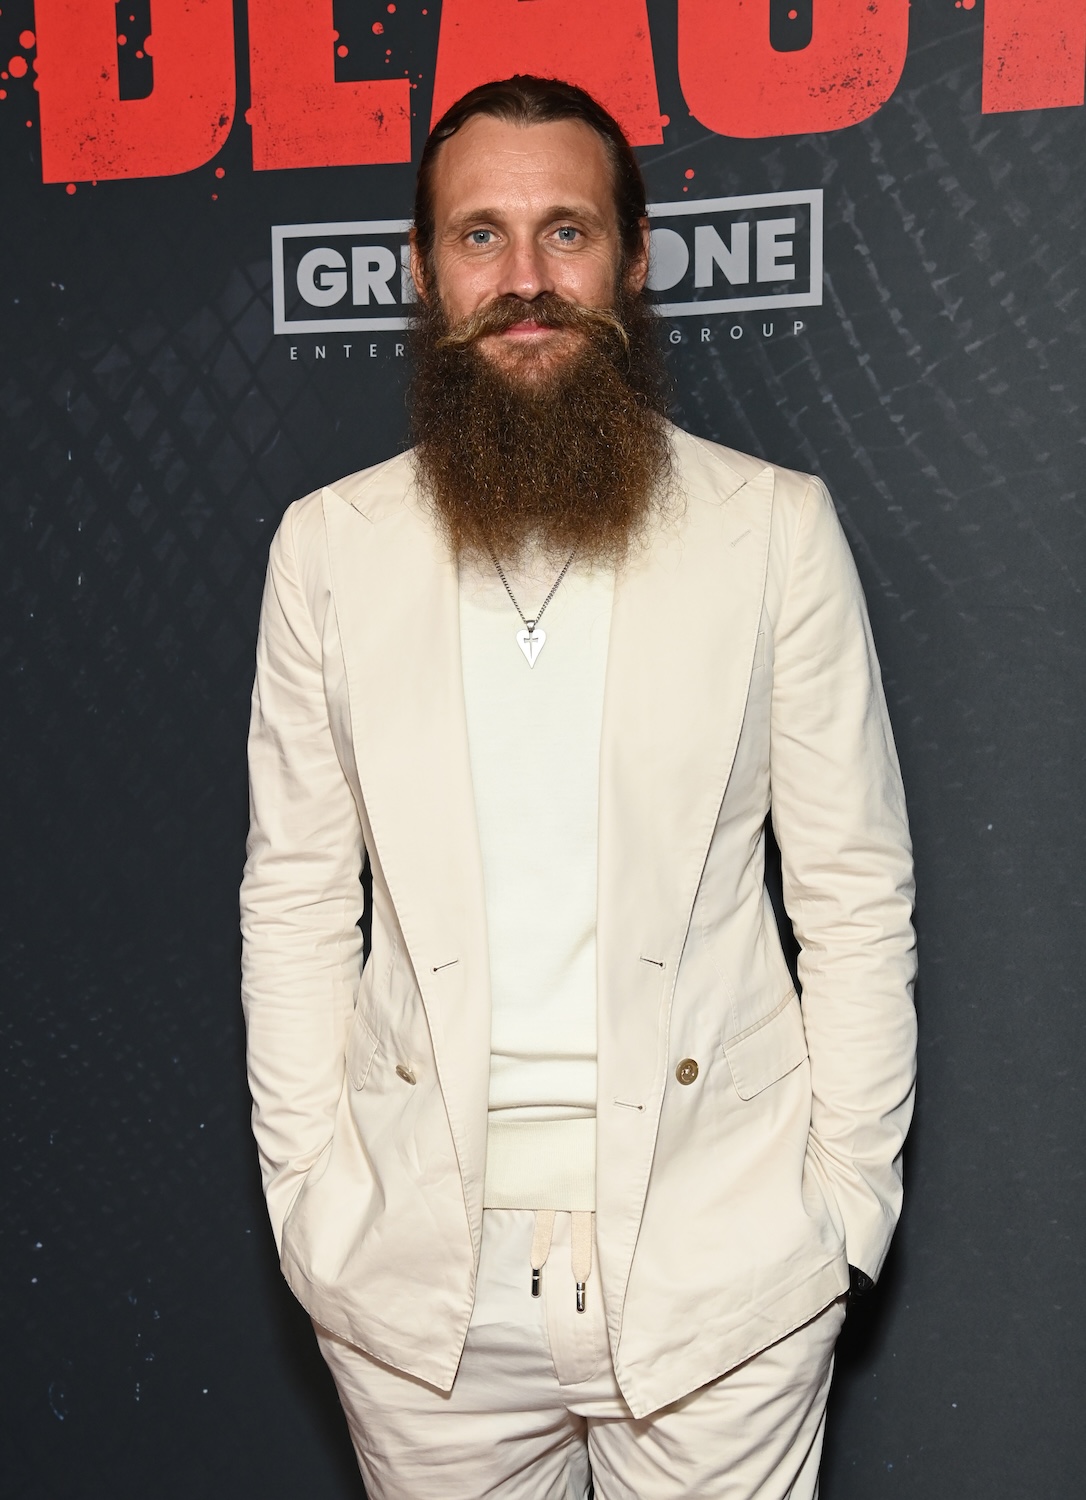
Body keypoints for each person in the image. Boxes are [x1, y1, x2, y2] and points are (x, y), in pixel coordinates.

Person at [240, 75, 917, 1500]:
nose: (525, 280)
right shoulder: (328, 550)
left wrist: (838, 1209)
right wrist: (312, 1207)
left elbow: (852, 891)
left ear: (634, 260)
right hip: (423, 1294)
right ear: (424, 274)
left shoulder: (772, 532)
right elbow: (297, 897)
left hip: (717, 1272)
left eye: (566, 231)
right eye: (480, 238)